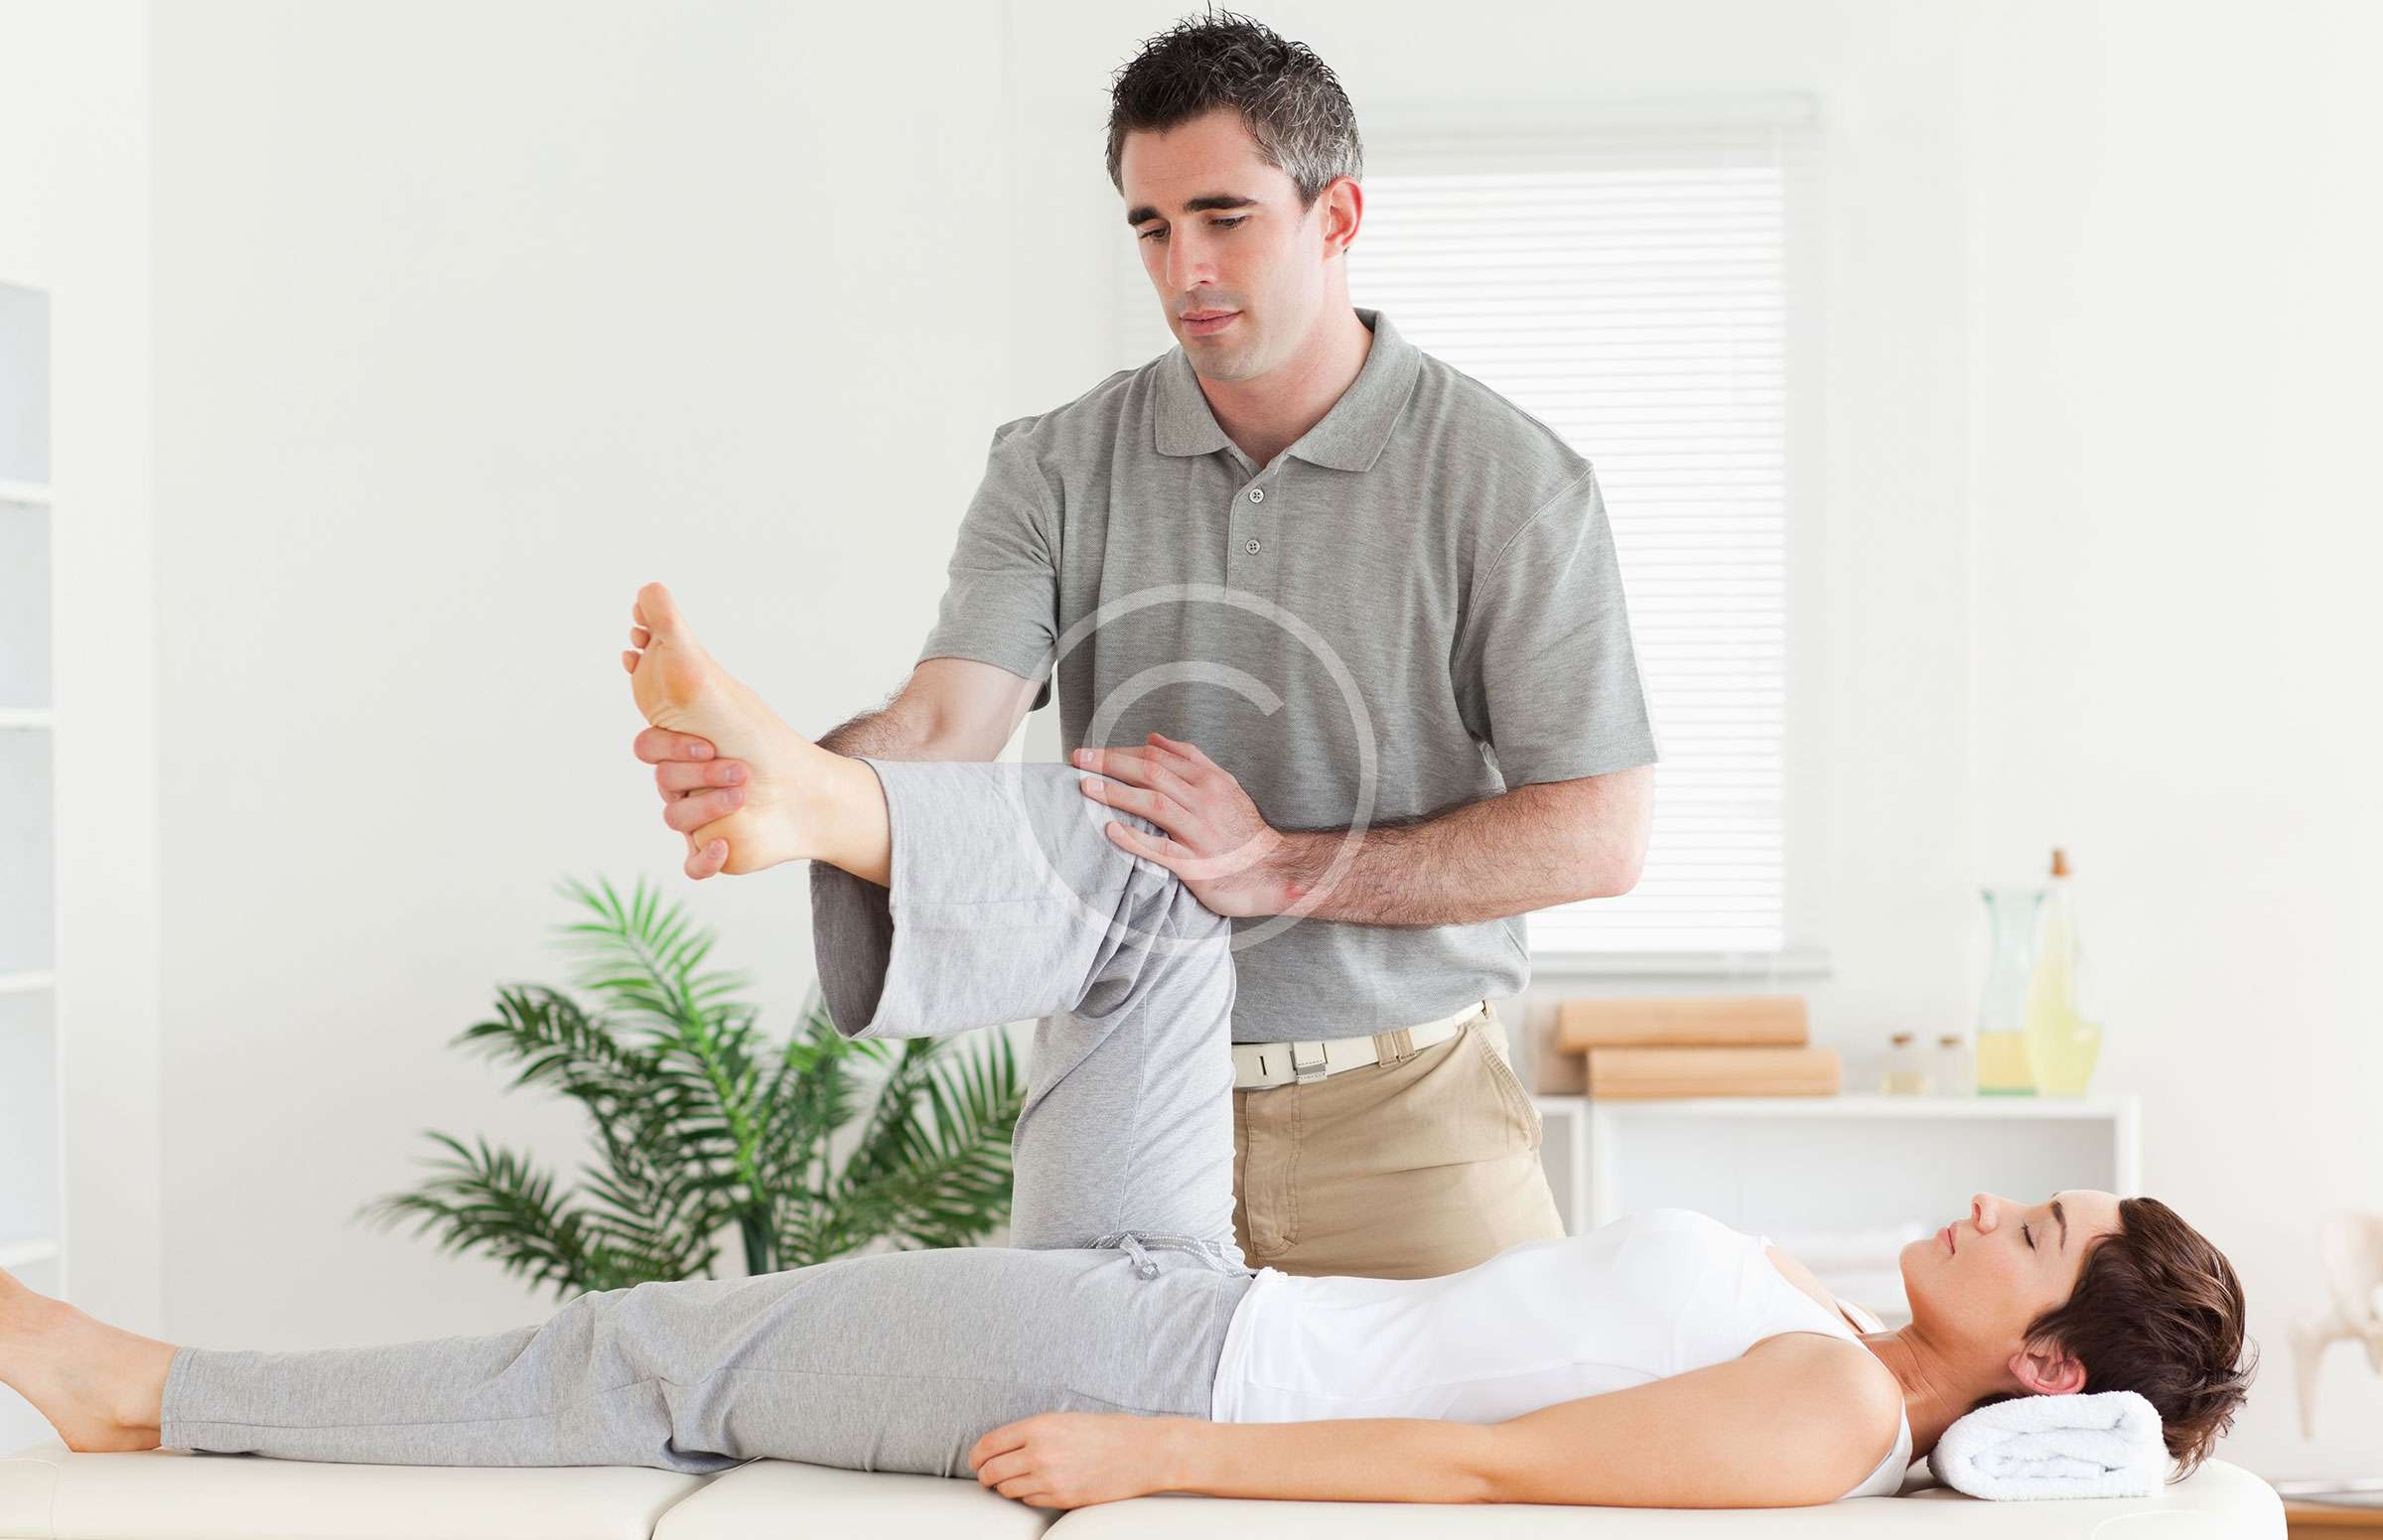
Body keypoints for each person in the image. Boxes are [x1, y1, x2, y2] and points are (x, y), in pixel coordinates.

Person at [0, 586, 2253, 1511]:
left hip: (1164, 1362)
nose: (1985, 1198)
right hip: (1195, 1276)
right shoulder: (1857, 1334)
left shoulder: (1827, 1411)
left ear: (2045, 1354)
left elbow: (1482, 1472)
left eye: (2030, 1225)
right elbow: (2081, 1412)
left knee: (656, 1352)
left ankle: (147, 1390)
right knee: (1171, 891)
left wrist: (1142, 1456)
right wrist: (2106, 1413)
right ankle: (838, 802)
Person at [636, 10, 1660, 1284]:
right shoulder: (1056, 465)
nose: (1187, 270)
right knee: (1079, 1422)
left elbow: (1600, 835)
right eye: (1153, 227)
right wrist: (802, 778)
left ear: (1336, 216)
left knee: (1502, 1416)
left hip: (1414, 1124)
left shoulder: (1513, 482)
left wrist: (1279, 866)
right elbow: (949, 723)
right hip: (1121, 1101)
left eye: (1226, 218)